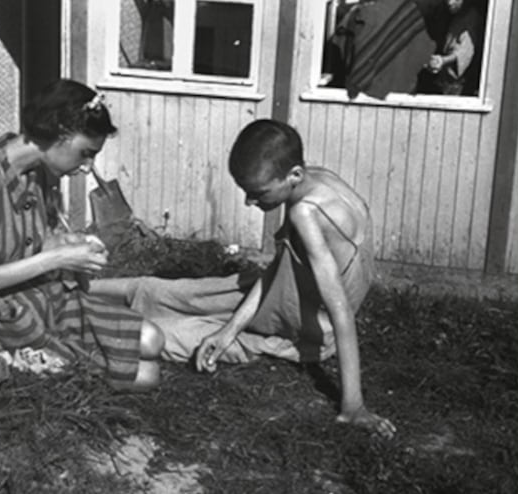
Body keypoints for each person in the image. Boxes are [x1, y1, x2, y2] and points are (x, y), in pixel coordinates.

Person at [91, 119, 396, 438]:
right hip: (282, 290)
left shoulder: (306, 213)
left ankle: (69, 322)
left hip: (306, 329)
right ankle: (66, 287)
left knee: (170, 331)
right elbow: (281, 266)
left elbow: (341, 312)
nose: (250, 202)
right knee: (163, 290)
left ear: (293, 175)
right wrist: (228, 331)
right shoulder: (318, 178)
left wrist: (354, 406)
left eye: (257, 193)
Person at [0, 79, 164, 392]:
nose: (87, 167)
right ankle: (10, 359)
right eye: (85, 153)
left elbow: (34, 241)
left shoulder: (39, 173)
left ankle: (59, 353)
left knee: (153, 339)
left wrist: (69, 245)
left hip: (43, 298)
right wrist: (56, 257)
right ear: (59, 132)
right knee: (147, 376)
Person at [421, 0, 483, 95]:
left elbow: (464, 52)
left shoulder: (471, 18)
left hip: (457, 87)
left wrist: (443, 60)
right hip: (444, 81)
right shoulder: (456, 17)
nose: (449, 3)